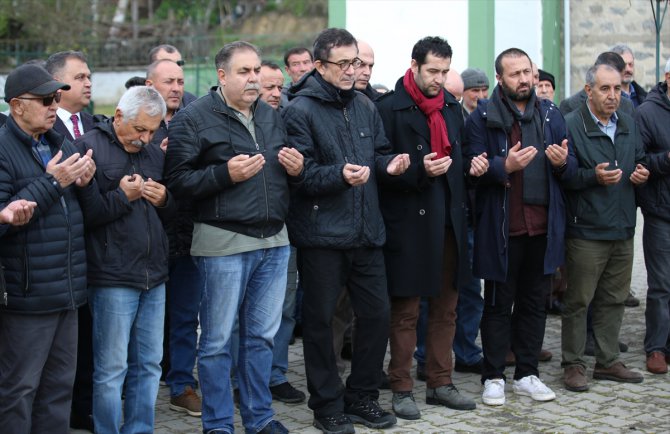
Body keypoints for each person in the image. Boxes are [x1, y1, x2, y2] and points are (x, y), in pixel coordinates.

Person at [164, 41, 304, 434]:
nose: (254, 79)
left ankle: (260, 419)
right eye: (244, 72)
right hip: (223, 244)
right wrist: (226, 174)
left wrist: (297, 169)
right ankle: (219, 423)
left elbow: (283, 170)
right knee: (217, 343)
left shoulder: (273, 116)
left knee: (261, 339)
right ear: (222, 76)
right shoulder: (193, 119)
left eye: (257, 70)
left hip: (274, 243)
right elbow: (176, 182)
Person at [282, 28, 409, 434]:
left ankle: (362, 398)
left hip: (367, 230)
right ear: (319, 66)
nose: (354, 70)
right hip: (321, 235)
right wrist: (339, 175)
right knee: (320, 323)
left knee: (376, 316)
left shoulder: (366, 107)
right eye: (345, 63)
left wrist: (390, 166)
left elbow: (380, 153)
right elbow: (300, 176)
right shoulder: (299, 110)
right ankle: (326, 405)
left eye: (357, 62)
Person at [376, 36, 484, 421]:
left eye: (444, 71)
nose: (439, 79)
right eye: (432, 71)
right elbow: (379, 168)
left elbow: (464, 153)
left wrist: (474, 166)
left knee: (447, 310)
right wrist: (417, 172)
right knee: (405, 312)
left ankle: (440, 382)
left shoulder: (453, 108)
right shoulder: (388, 108)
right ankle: (401, 387)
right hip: (408, 226)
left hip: (450, 224)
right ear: (414, 66)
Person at [465, 47, 576, 406]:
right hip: (502, 229)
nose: (525, 79)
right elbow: (471, 170)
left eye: (527, 72)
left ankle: (527, 373)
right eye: (515, 74)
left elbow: (569, 171)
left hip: (542, 228)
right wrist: (504, 166)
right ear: (500, 79)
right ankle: (494, 375)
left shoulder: (551, 114)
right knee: (498, 305)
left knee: (533, 305)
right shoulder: (482, 117)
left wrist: (560, 165)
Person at [0, 63, 96, 433]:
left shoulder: (58, 140)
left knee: (59, 389)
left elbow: (81, 205)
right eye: (44, 99)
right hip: (27, 295)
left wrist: (86, 180)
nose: (53, 105)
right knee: (19, 390)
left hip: (67, 290)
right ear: (17, 105)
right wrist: (52, 183)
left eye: (55, 97)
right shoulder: (4, 147)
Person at [76, 86, 174, 433]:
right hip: (111, 276)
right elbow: (84, 216)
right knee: (111, 368)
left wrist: (164, 200)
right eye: (139, 130)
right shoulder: (88, 147)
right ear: (118, 116)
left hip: (155, 274)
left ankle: (139, 429)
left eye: (152, 130)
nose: (145, 138)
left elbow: (170, 214)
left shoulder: (154, 153)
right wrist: (122, 196)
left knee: (149, 365)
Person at [561, 64, 648, 392]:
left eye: (617, 89)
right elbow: (563, 176)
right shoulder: (571, 125)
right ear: (588, 91)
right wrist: (591, 177)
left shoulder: (628, 122)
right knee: (579, 300)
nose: (613, 95)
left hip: (623, 226)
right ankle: (572, 364)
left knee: (613, 299)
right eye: (605, 89)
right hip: (587, 229)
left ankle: (608, 361)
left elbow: (639, 159)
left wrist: (642, 173)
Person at [145, 58, 205, 417]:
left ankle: (181, 383)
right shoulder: (137, 118)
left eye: (180, 81)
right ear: (150, 83)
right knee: (148, 317)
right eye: (169, 81)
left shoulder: (196, 117)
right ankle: (139, 381)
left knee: (185, 314)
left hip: (188, 232)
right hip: (148, 236)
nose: (177, 87)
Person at [44, 49, 100, 432]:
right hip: (58, 255)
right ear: (57, 86)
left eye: (89, 76)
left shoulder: (93, 125)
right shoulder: (47, 133)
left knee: (88, 341)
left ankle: (85, 407)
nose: (88, 83)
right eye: (79, 77)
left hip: (95, 250)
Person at [257, 58, 306, 404]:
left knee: (284, 307)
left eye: (279, 87)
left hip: (284, 228)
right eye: (269, 87)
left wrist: (300, 169)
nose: (277, 93)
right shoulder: (230, 120)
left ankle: (275, 375)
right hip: (239, 233)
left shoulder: (289, 116)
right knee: (239, 314)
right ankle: (239, 375)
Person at [635, 57, 670, 375]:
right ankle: (656, 348)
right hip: (661, 212)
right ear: (668, 77)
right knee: (661, 285)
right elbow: (639, 159)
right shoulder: (647, 111)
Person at [559, 52, 635, 118]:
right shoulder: (570, 105)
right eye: (605, 88)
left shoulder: (627, 106)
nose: (612, 96)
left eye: (617, 87)